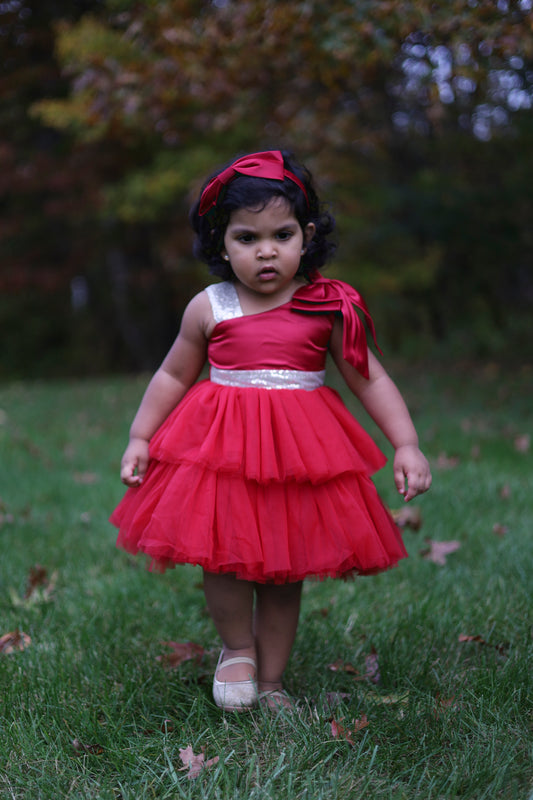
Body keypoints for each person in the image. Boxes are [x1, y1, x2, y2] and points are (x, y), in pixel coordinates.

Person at [110, 149, 431, 712]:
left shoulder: (327, 306)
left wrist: (405, 443)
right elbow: (172, 374)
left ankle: (273, 679)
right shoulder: (210, 306)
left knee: (286, 571)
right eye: (246, 238)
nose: (265, 251)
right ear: (222, 242)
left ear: (306, 237)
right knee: (225, 557)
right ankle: (238, 649)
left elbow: (369, 378)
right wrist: (141, 436)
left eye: (281, 235)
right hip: (224, 454)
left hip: (298, 459)